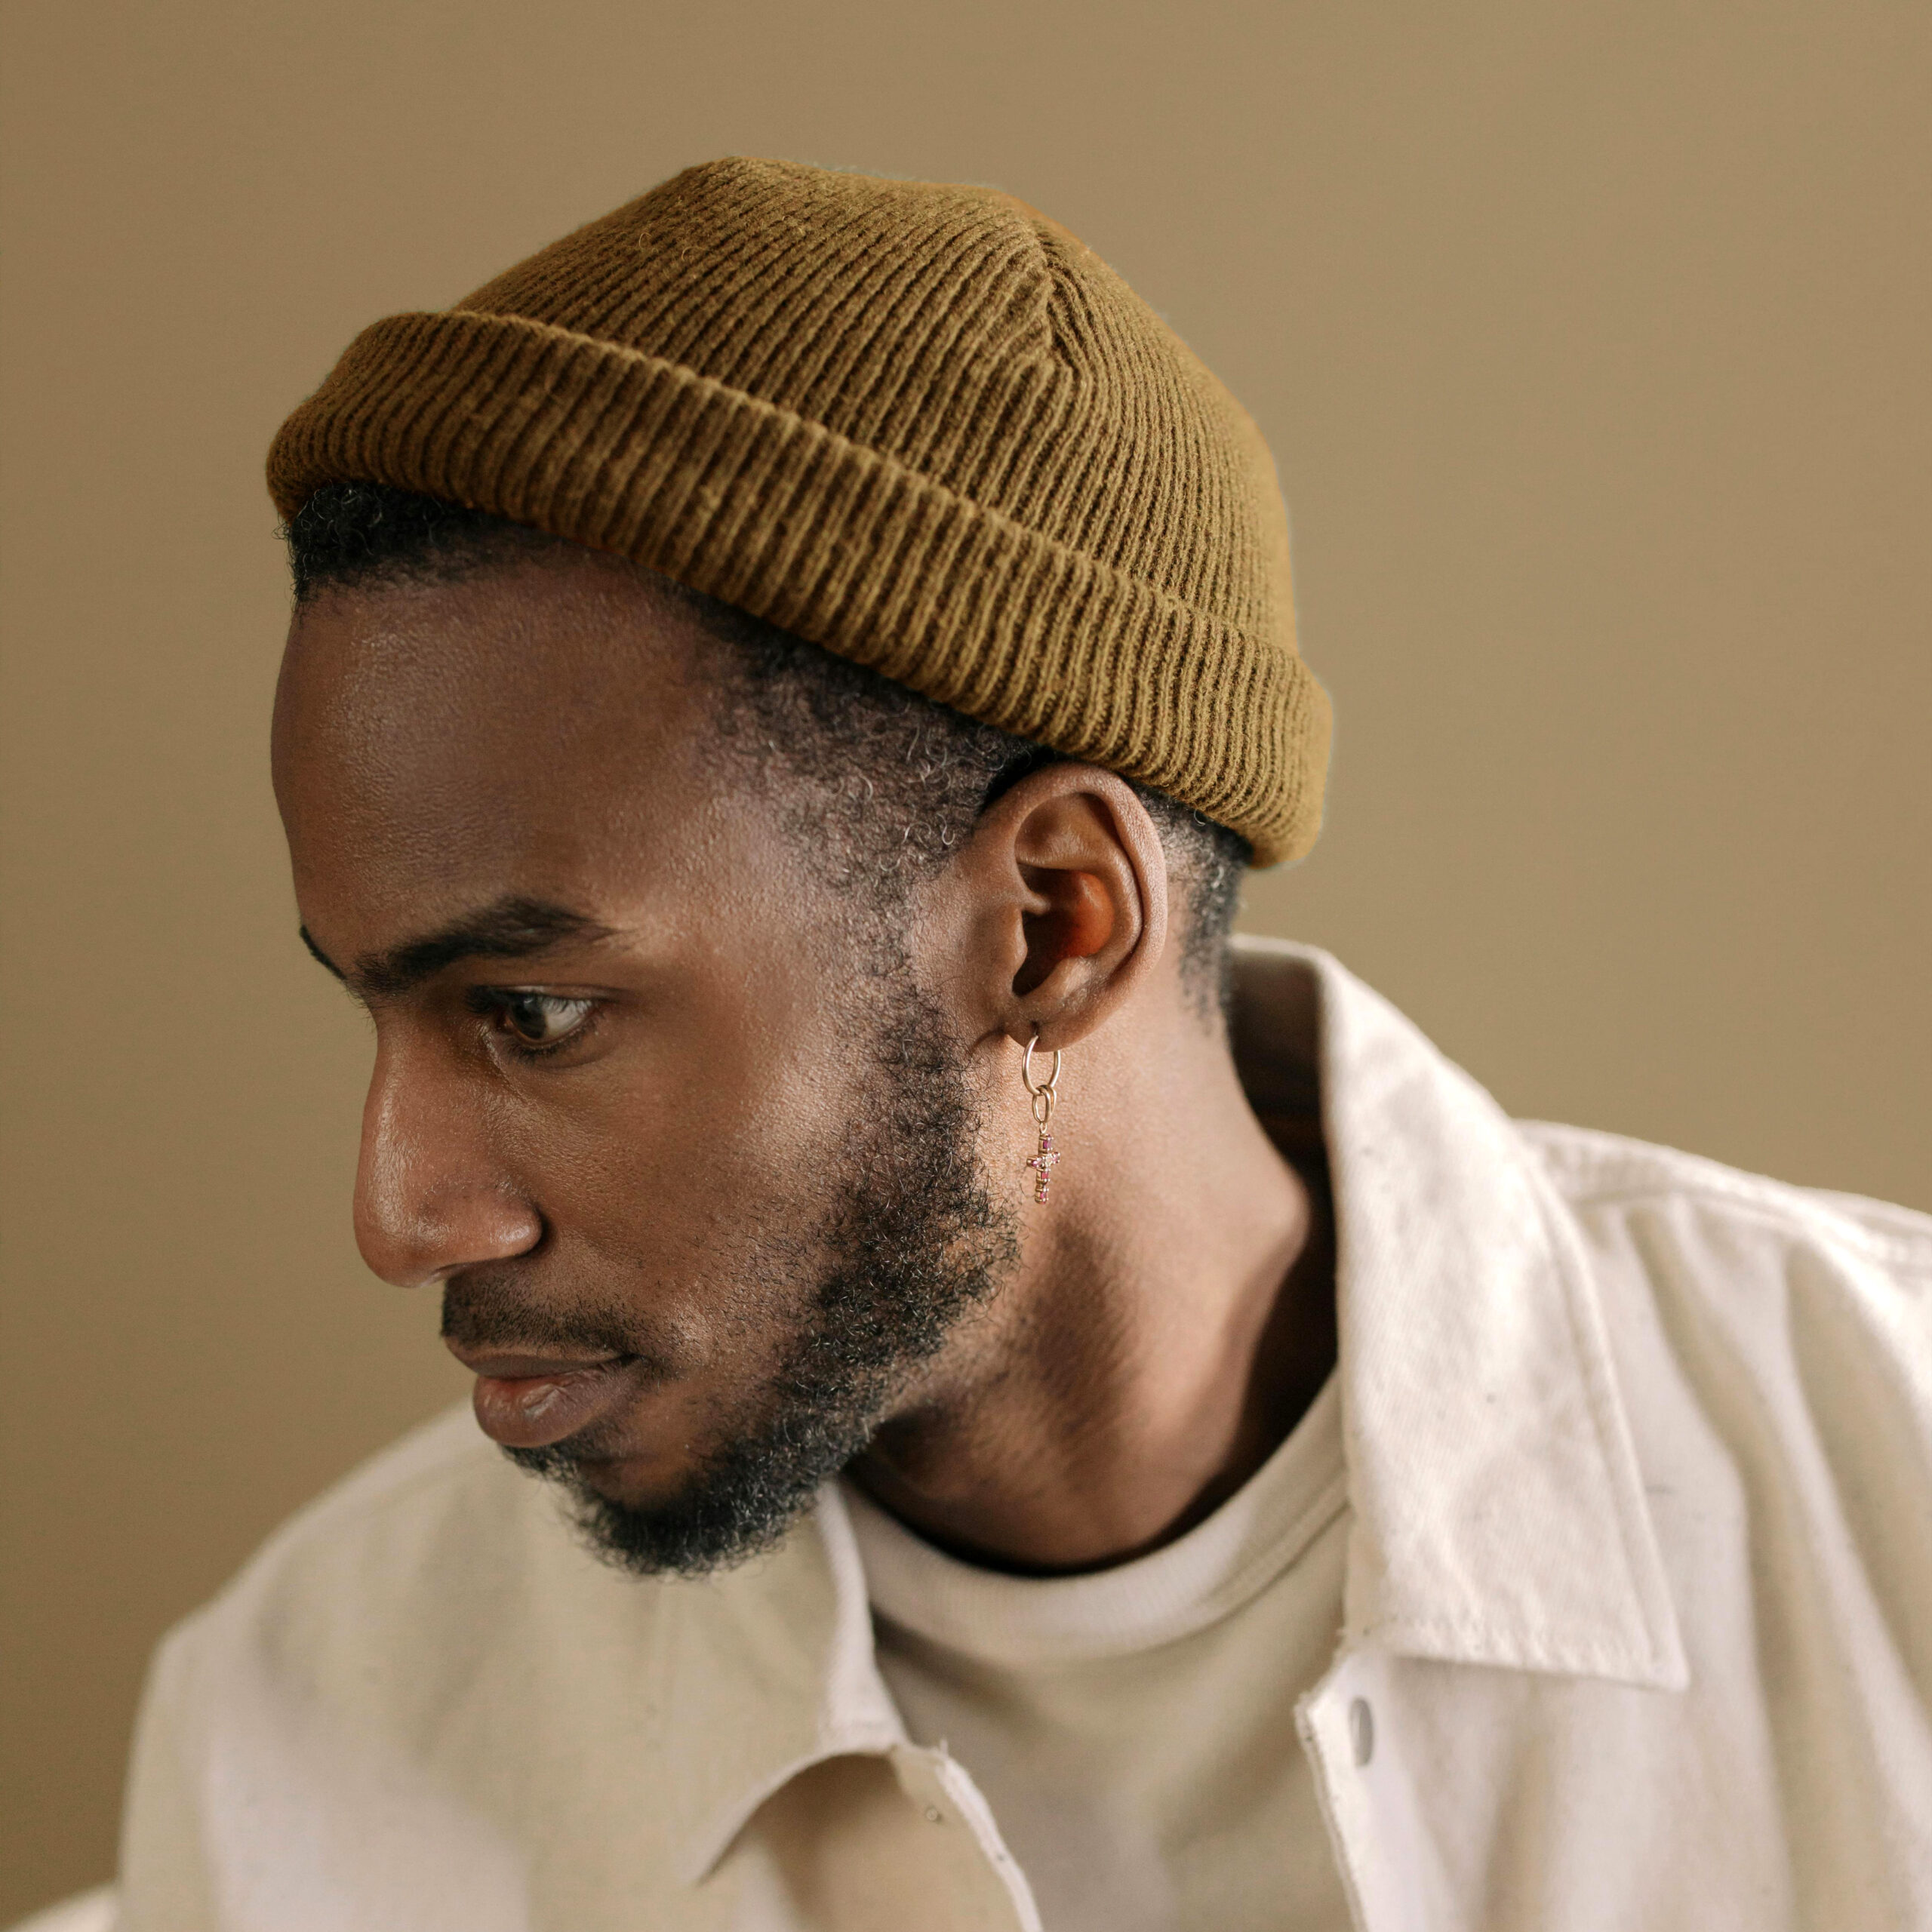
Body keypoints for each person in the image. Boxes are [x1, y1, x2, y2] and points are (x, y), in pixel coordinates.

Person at [96, 158, 1927, 1931]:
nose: (401, 1214)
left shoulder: (1885, 1484)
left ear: (1053, 923)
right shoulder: (311, 1732)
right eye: (376, 1008)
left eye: (535, 1013)